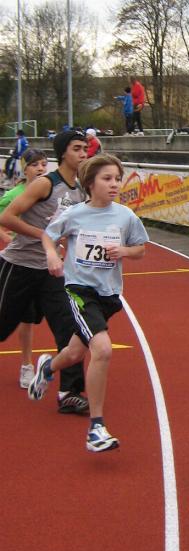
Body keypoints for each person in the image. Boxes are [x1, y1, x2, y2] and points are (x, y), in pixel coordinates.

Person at [28, 154, 149, 452]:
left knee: (74, 352)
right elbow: (48, 236)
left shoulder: (125, 216)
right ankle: (96, 428)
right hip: (80, 291)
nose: (114, 184)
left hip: (109, 295)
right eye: (107, 179)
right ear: (90, 183)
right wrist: (52, 255)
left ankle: (47, 368)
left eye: (117, 178)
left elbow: (140, 249)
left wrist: (124, 251)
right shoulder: (74, 215)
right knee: (102, 349)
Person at [0, 130, 89, 414]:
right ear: (63, 153)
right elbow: (7, 217)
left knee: (70, 328)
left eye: (85, 148)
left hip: (52, 270)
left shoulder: (80, 190)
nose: (83, 153)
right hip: (19, 265)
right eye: (77, 148)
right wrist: (44, 235)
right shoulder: (45, 184)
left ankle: (69, 393)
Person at [0, 149, 48, 388]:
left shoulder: (50, 192)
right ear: (24, 168)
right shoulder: (15, 194)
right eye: (35, 164)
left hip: (43, 265)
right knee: (8, 319)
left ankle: (26, 366)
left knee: (28, 319)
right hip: (17, 264)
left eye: (44, 164)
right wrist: (6, 237)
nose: (40, 168)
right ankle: (28, 366)